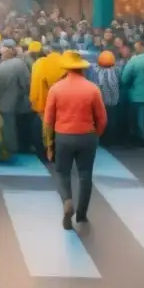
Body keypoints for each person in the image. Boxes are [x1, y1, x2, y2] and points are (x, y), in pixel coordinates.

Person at [44, 51, 108, 230]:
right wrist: (96, 134)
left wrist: (49, 144)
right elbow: (102, 118)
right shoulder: (92, 88)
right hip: (87, 135)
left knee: (62, 173)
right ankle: (81, 214)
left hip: (63, 136)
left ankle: (67, 202)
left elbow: (48, 120)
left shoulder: (56, 89)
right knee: (85, 174)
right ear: (82, 69)